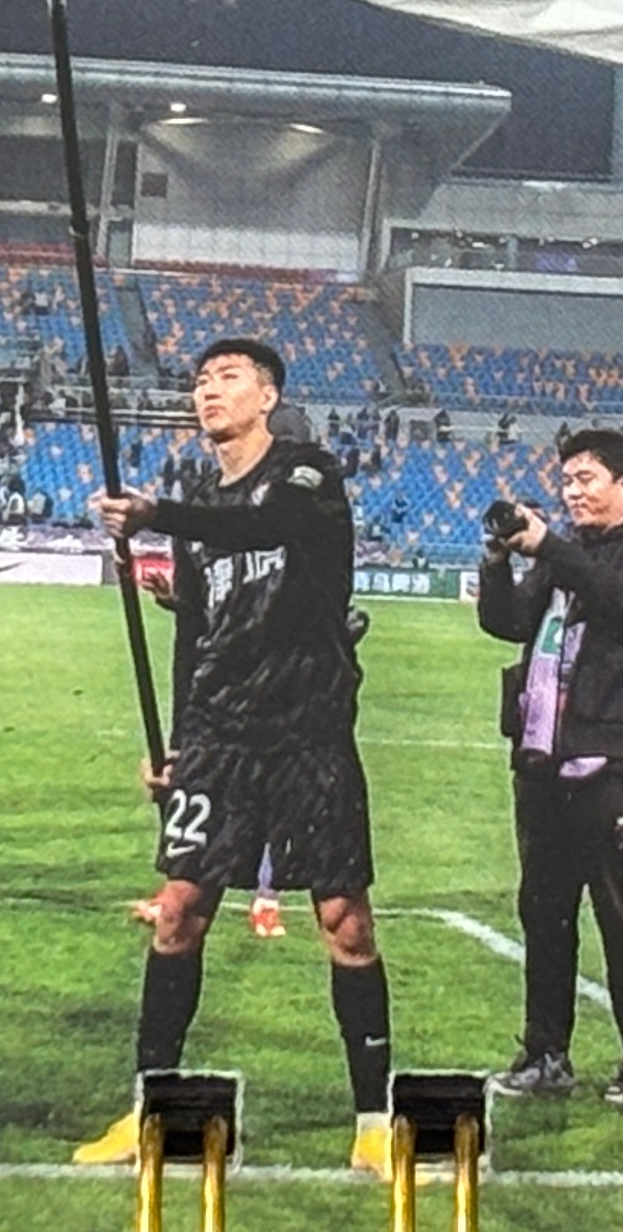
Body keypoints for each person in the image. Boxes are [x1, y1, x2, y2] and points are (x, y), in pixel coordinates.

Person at [74, 338, 393, 1179]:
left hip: (307, 730)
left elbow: (268, 527)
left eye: (228, 378)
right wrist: (178, 743)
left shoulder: (308, 475)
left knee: (345, 922)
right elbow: (197, 634)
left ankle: (373, 1123)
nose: (209, 390)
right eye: (201, 380)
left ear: (268, 395)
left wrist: (156, 515)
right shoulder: (200, 511)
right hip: (221, 735)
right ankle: (147, 1108)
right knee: (178, 912)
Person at [477, 426, 623, 1109]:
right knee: (544, 914)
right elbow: (509, 623)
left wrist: (552, 549)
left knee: (621, 916)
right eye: (566, 481)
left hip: (613, 760)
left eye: (587, 479)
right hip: (543, 760)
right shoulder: (566, 553)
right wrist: (496, 561)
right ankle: (546, 1055)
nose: (572, 493)